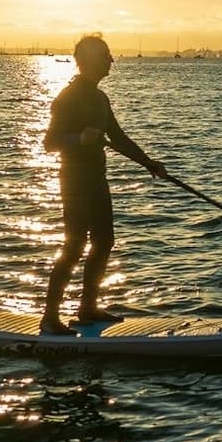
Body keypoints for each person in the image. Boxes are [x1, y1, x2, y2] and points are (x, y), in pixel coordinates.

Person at [40, 34, 167, 334]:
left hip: (97, 179)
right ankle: (49, 318)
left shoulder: (100, 98)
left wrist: (149, 163)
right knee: (74, 247)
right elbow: (50, 142)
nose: (111, 60)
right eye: (105, 55)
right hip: (74, 181)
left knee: (104, 241)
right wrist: (78, 138)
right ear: (88, 61)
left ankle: (87, 308)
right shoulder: (68, 98)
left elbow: (119, 138)